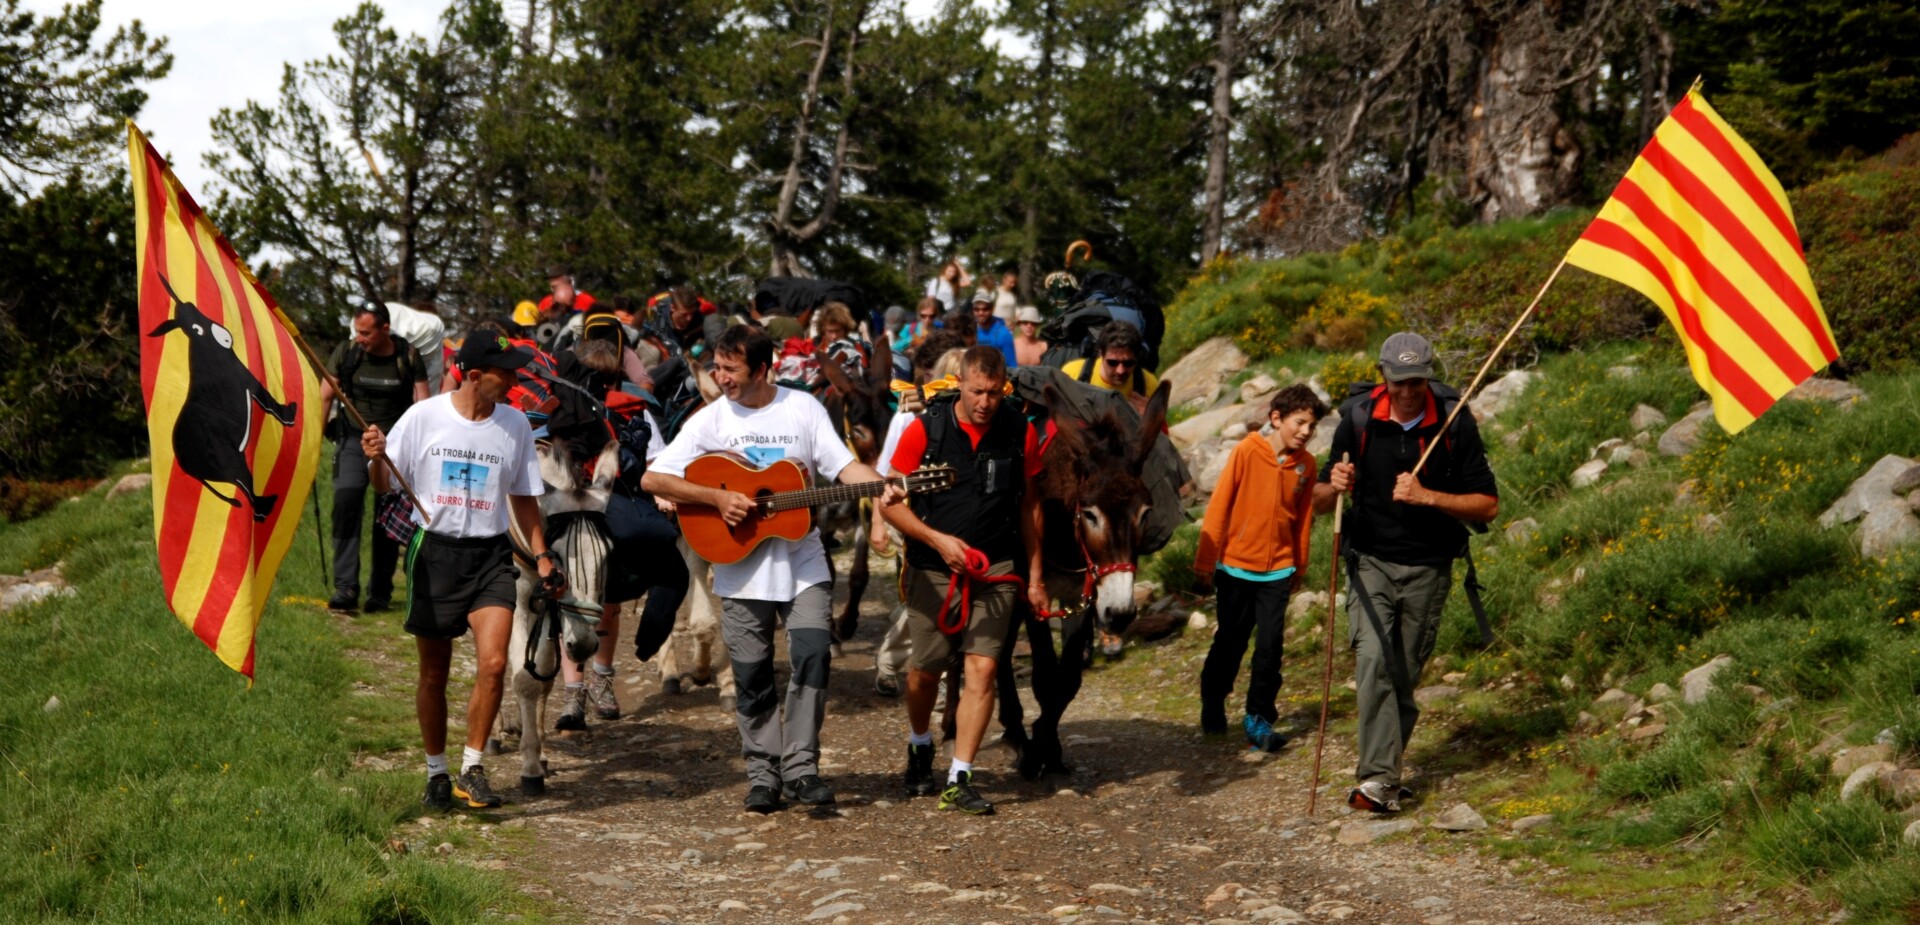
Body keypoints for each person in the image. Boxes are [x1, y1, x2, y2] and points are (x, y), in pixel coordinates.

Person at [642, 325, 905, 814]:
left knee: (812, 656)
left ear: (763, 370)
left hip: (803, 562)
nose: (720, 378)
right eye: (717, 368)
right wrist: (717, 496)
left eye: (731, 370)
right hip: (740, 566)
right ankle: (764, 774)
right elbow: (654, 476)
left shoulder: (801, 408)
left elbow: (844, 468)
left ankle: (802, 768)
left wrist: (882, 484)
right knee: (752, 674)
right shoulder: (710, 420)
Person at [362, 332, 559, 811]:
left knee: (494, 663)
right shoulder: (423, 417)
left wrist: (542, 554)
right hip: (433, 552)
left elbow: (524, 498)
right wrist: (375, 458)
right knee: (435, 672)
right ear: (474, 375)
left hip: (491, 555)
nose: (514, 381)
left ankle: (472, 768)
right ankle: (436, 773)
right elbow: (384, 484)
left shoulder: (514, 425)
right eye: (505, 372)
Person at [1315, 332, 1498, 814]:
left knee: (1402, 677)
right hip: (1370, 562)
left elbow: (1487, 507)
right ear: (1384, 377)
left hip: (1430, 567)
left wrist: (1428, 496)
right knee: (1373, 662)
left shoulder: (1455, 424)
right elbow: (1313, 500)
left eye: (1417, 381)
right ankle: (1377, 779)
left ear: (1428, 377)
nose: (1408, 392)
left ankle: (1384, 776)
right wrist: (1332, 486)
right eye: (1399, 382)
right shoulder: (1356, 421)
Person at [881, 346, 1048, 815]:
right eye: (977, 391)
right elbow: (890, 503)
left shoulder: (1020, 432)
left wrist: (1034, 576)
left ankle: (960, 776)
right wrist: (938, 541)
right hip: (933, 567)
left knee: (983, 668)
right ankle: (919, 744)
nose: (985, 402)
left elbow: (1030, 505)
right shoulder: (925, 430)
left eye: (995, 393)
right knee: (925, 671)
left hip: (996, 566)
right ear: (959, 384)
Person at [1192, 385, 1329, 751]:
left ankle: (1259, 719)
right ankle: (1213, 699)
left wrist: (1299, 565)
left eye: (1311, 427)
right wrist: (1206, 561)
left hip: (1279, 570)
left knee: (1270, 646)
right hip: (1235, 568)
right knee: (1231, 642)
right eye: (1300, 423)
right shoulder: (1246, 451)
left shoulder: (1307, 465)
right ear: (1276, 419)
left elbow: (1303, 519)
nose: (1305, 431)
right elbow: (1219, 505)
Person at [322, 304, 430, 613]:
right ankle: (345, 587)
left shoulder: (407, 355)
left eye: (366, 332)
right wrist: (314, 439)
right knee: (346, 502)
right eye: (357, 331)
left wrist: (420, 448)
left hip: (394, 443)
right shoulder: (348, 352)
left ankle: (379, 593)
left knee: (387, 511)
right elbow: (326, 394)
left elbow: (422, 401)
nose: (360, 338)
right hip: (354, 438)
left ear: (385, 329)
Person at [1061, 321, 1160, 406]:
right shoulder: (1072, 375)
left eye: (1128, 363)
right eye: (1112, 363)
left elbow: (1163, 427)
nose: (1120, 370)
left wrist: (1150, 417)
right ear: (1101, 355)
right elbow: (1053, 423)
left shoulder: (1148, 385)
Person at [971, 291, 1018, 369]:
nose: (981, 313)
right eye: (976, 309)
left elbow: (1011, 366)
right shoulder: (970, 330)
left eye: (985, 309)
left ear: (992, 309)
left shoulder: (1003, 334)